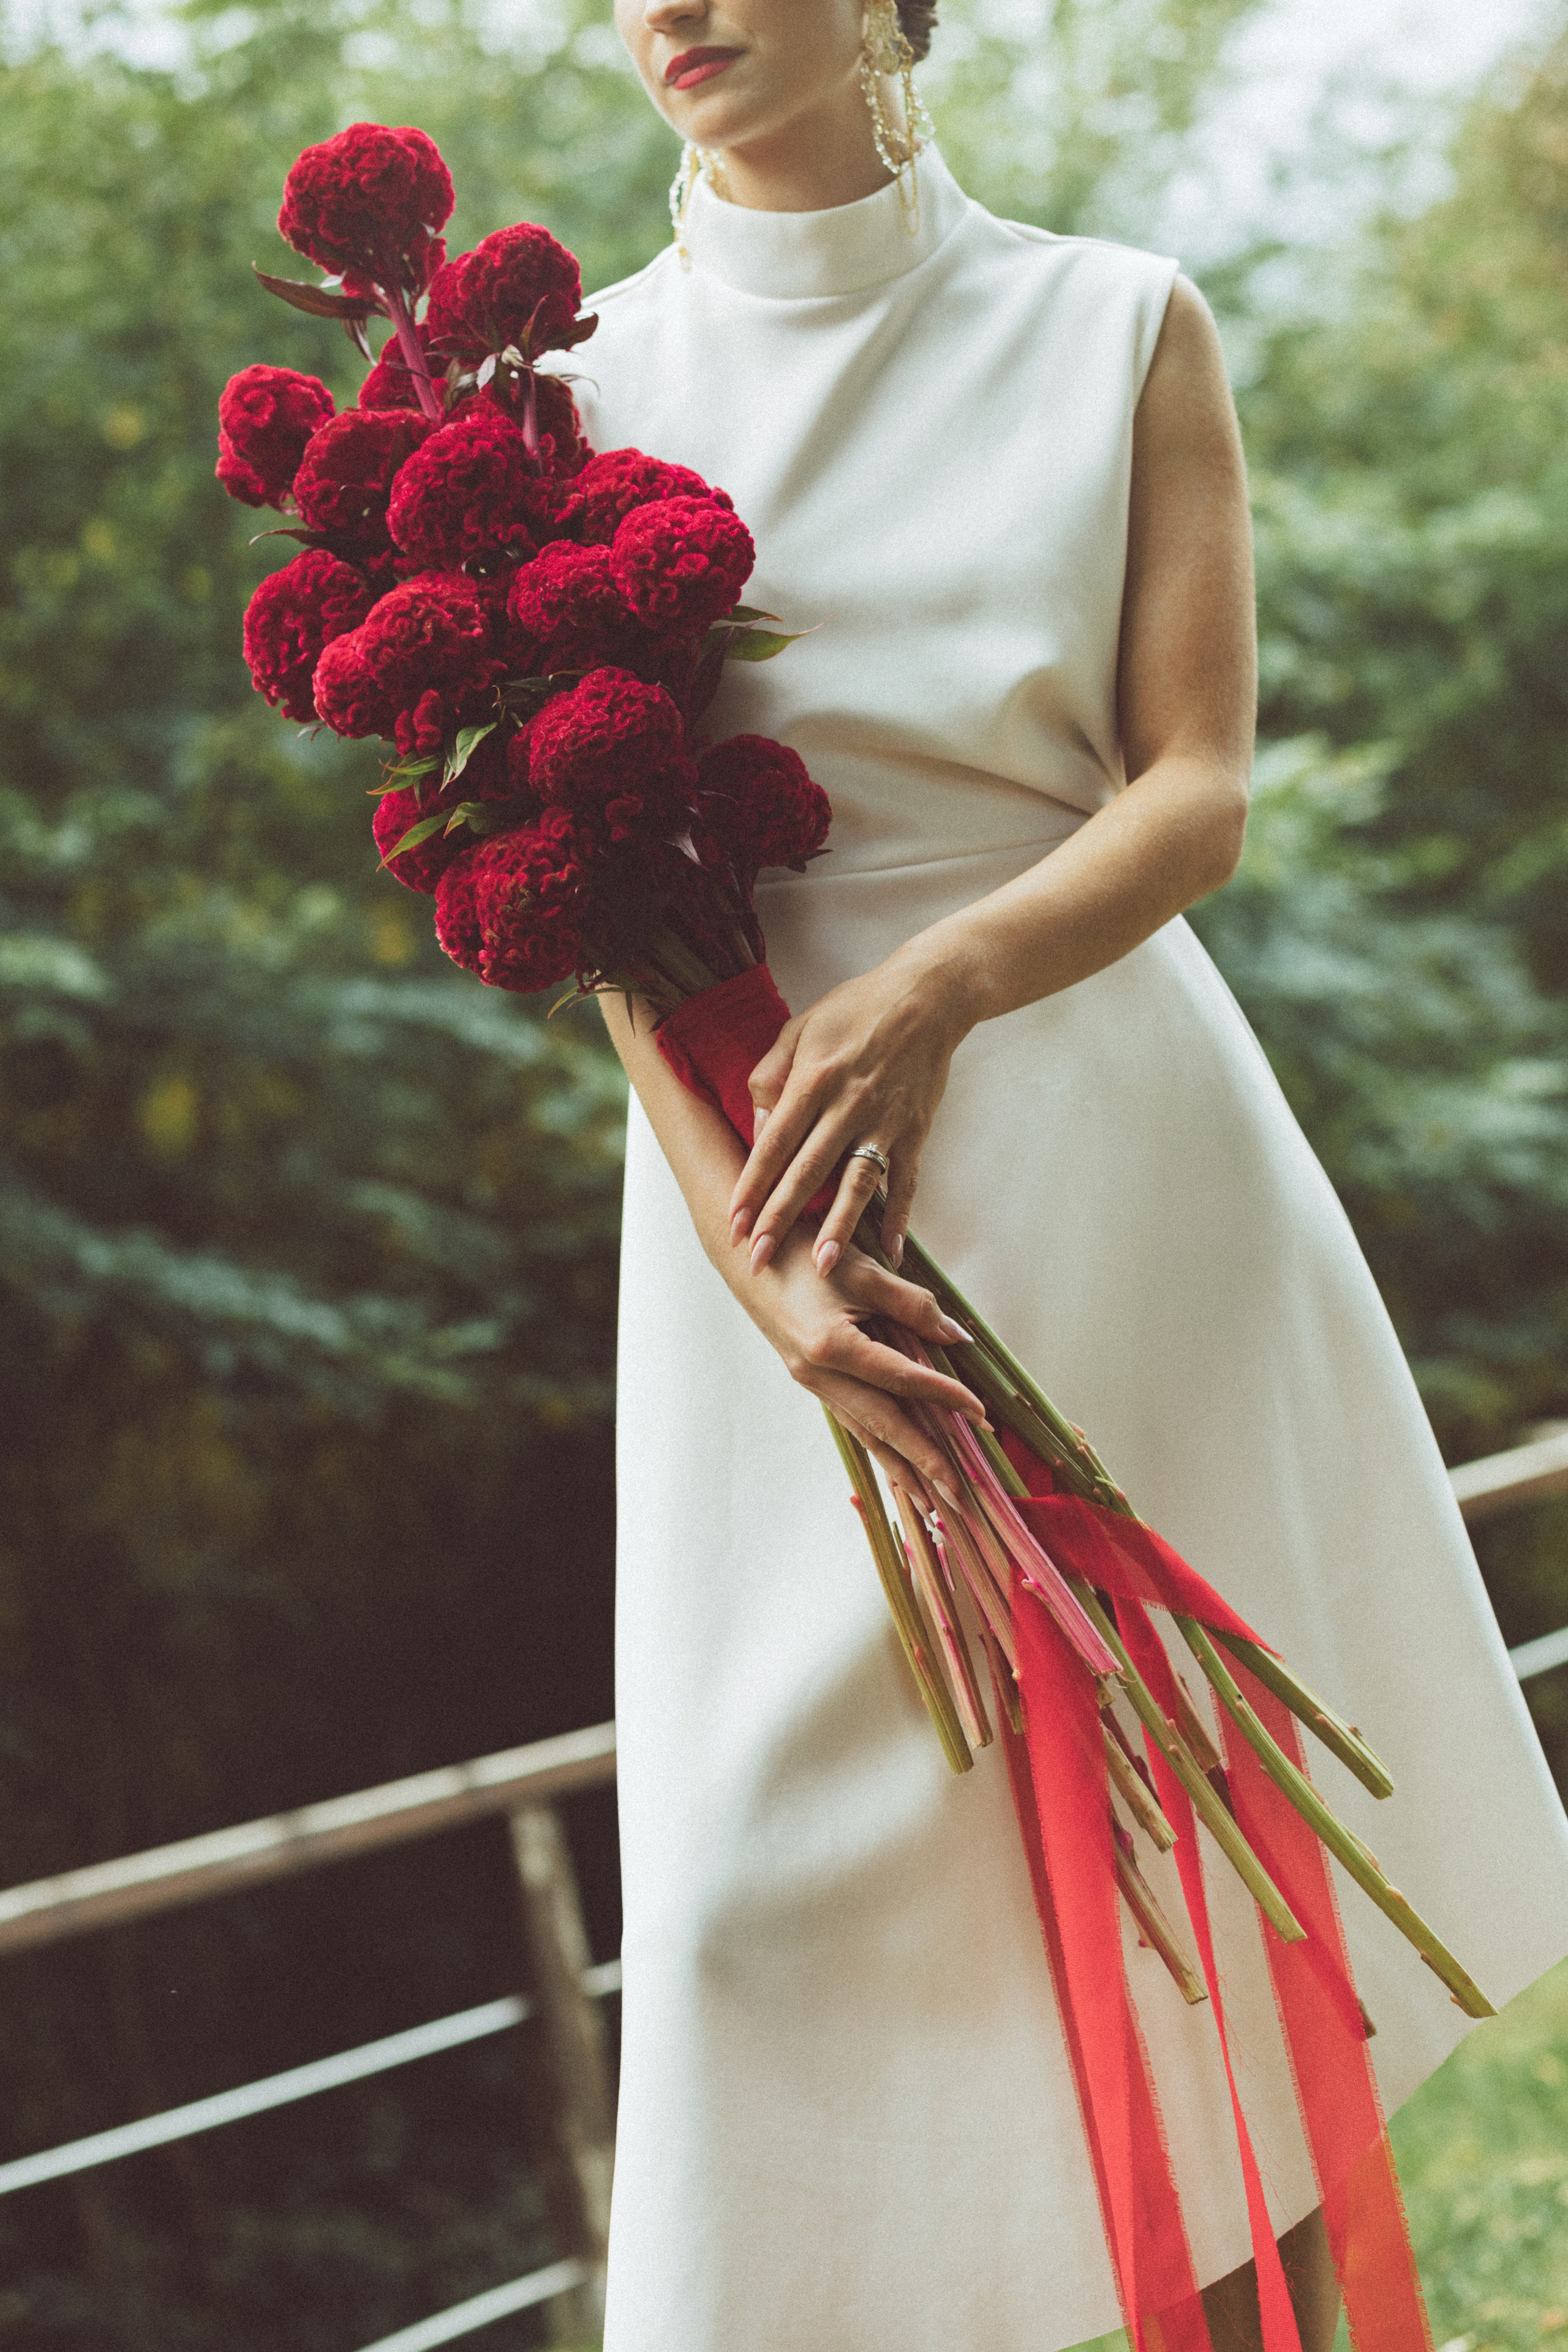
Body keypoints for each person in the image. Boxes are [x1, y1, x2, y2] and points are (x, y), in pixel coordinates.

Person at [571, 4, 1568, 2346]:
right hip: (775, 1213)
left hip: (1107, 1143)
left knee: (1205, 1883)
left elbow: (1193, 784)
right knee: (751, 1895)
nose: (674, 5)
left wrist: (938, 987)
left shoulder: (1112, 320)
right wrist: (761, 1276)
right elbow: (587, 900)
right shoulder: (556, 408)